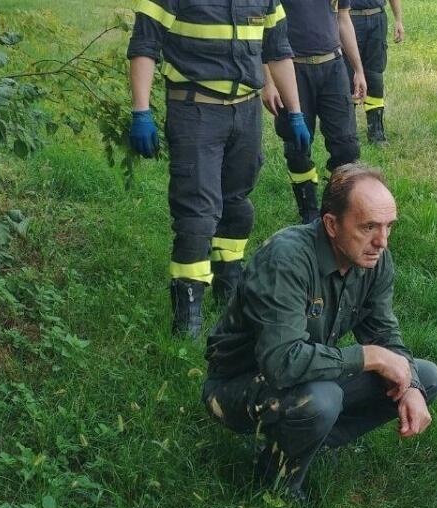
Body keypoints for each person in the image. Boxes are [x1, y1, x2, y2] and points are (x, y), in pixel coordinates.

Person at [202, 164, 437, 502]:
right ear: (331, 224)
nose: (382, 242)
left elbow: (384, 332)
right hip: (236, 385)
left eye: (389, 227)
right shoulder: (286, 260)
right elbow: (281, 363)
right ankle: (276, 484)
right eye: (369, 227)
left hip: (304, 373)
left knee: (425, 377)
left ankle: (307, 444)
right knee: (321, 400)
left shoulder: (373, 259)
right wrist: (368, 356)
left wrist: (411, 386)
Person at [126, 0, 313, 338]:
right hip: (196, 111)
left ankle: (229, 282)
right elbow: (144, 45)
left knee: (237, 204)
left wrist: (296, 111)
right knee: (197, 213)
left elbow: (278, 51)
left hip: (246, 112)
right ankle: (188, 315)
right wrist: (141, 112)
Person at [263, 0, 367, 225]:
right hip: (291, 71)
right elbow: (263, 28)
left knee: (347, 146)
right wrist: (268, 82)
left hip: (333, 67)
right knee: (297, 148)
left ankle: (333, 209)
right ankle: (308, 214)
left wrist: (358, 69)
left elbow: (343, 19)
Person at [345, 0, 404, 144]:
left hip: (377, 19)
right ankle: (347, 133)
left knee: (375, 76)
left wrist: (398, 20)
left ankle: (376, 132)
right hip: (348, 20)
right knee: (347, 75)